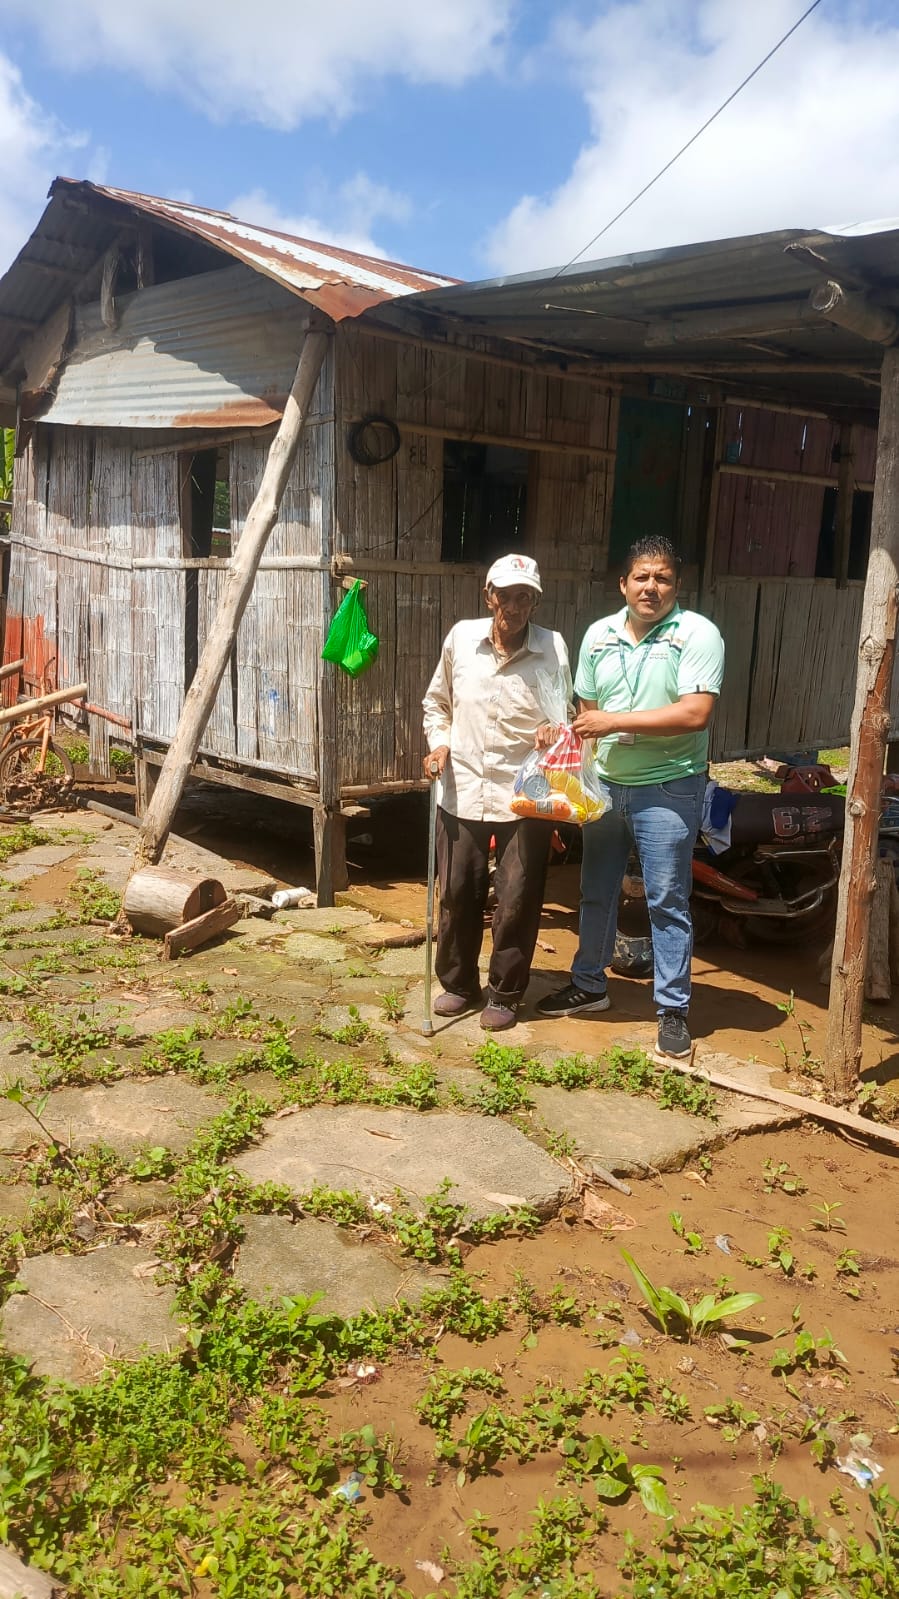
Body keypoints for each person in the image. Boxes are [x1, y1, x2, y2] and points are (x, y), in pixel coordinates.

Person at [537, 536, 724, 1060]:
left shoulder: (696, 634)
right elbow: (587, 714)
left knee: (666, 899)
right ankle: (589, 985)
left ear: (677, 586)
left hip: (668, 786)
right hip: (604, 786)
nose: (651, 587)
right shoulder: (598, 636)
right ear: (623, 584)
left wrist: (613, 722)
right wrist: (567, 762)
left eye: (662, 578)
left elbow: (695, 713)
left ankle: (672, 1010)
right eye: (642, 577)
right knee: (596, 891)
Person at [422, 553, 572, 1032]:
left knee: (517, 898)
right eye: (505, 595)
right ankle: (459, 984)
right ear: (489, 596)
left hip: (524, 792)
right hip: (462, 785)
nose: (514, 605)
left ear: (535, 602)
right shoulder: (461, 639)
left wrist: (553, 730)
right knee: (457, 891)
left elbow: (564, 713)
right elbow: (436, 703)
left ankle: (505, 992)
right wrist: (439, 744)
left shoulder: (552, 646)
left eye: (524, 596)